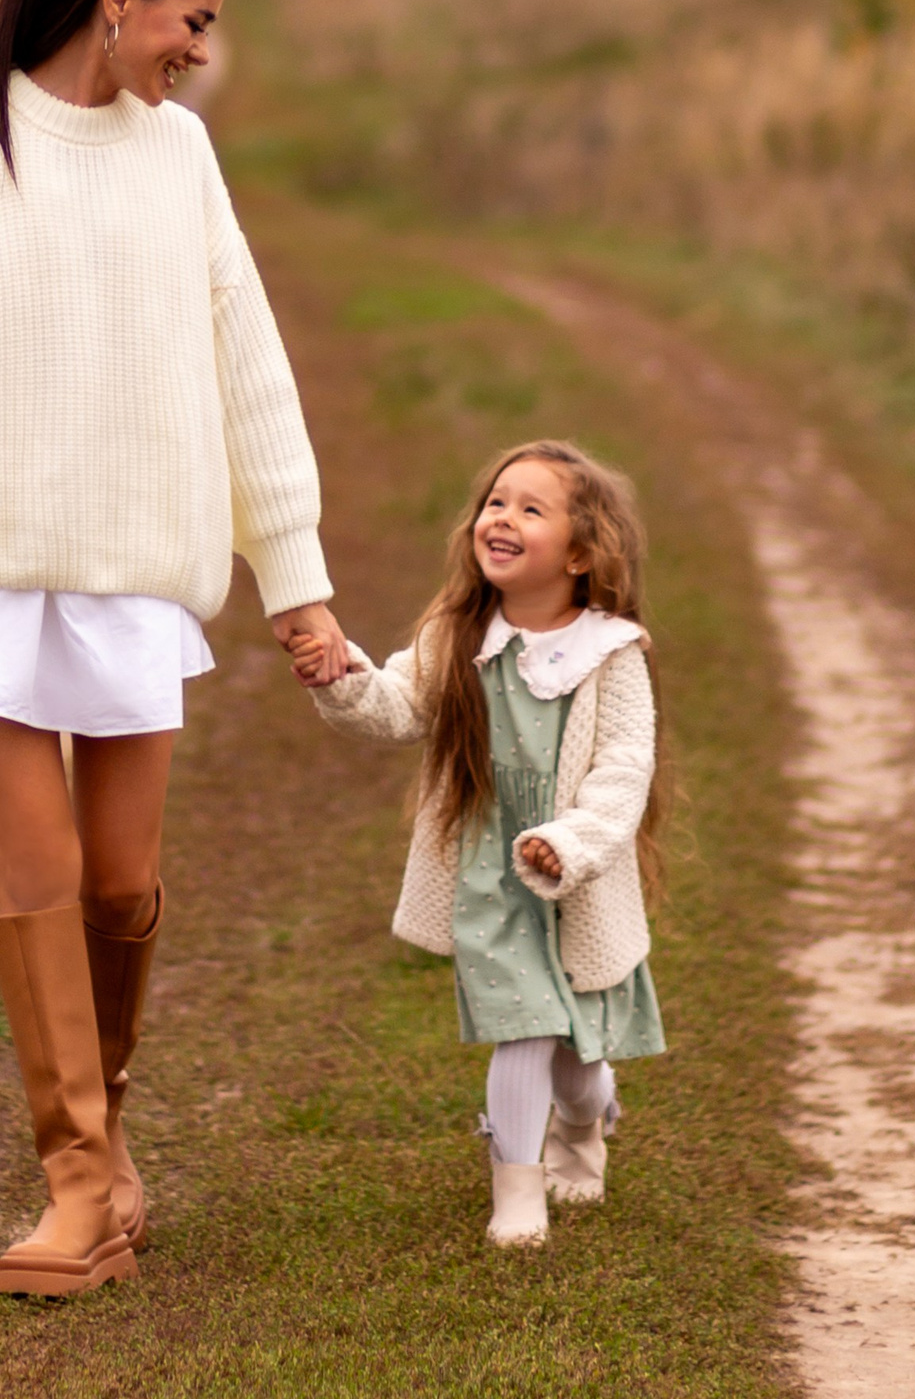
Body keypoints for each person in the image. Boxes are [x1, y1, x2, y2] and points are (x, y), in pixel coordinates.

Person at [0, 0, 349, 1298]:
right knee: (38, 878)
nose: (200, 52)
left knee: (123, 885)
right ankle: (76, 1185)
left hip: (136, 573)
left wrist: (292, 580)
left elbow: (248, 366)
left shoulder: (181, 157)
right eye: (194, 21)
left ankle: (107, 1140)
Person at [292, 438, 664, 1248]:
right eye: (497, 503)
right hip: (491, 878)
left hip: (574, 875)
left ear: (580, 551)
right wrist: (343, 678)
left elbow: (624, 769)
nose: (503, 518)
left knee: (575, 1049)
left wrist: (570, 843)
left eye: (532, 509)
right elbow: (398, 707)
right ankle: (517, 1190)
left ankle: (584, 1119)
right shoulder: (457, 633)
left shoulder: (611, 654)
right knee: (523, 1025)